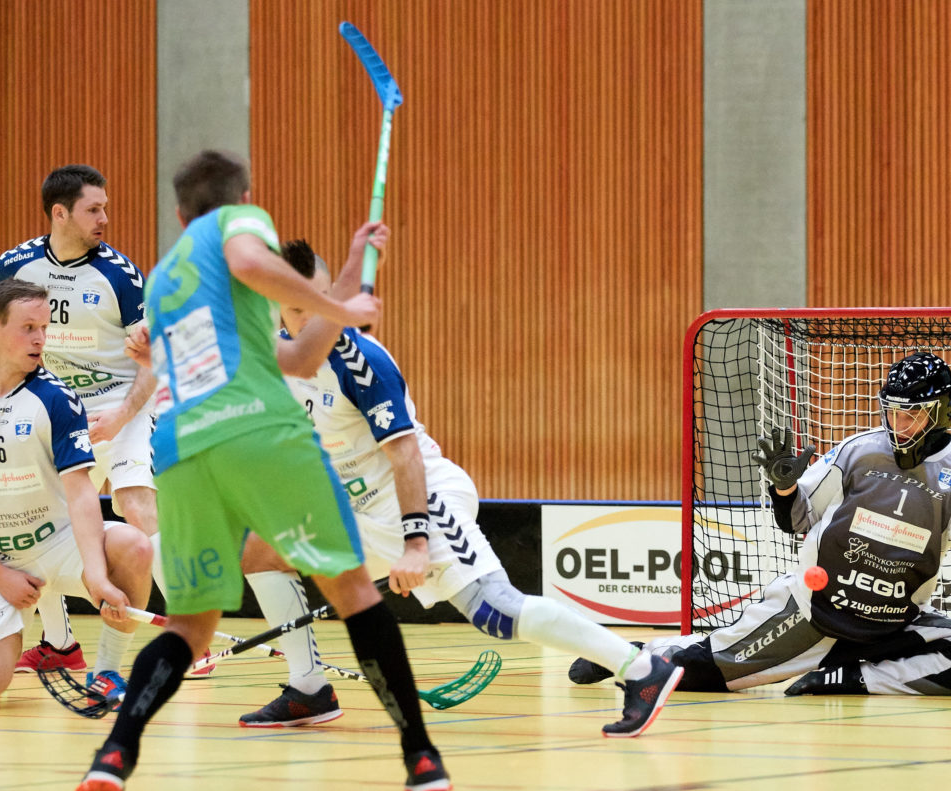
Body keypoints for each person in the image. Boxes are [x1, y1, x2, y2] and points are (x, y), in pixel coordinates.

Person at [75, 149, 449, 791]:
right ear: (242, 198)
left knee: (189, 625)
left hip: (183, 449)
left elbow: (302, 356)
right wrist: (345, 303)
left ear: (177, 210)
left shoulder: (164, 278)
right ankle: (420, 754)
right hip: (260, 431)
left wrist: (351, 277)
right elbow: (252, 264)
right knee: (356, 589)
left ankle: (115, 753)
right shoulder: (238, 225)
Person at [233, 237, 683, 738]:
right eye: (298, 308)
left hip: (421, 495)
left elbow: (403, 454)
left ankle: (641, 669)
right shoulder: (272, 357)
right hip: (357, 509)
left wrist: (415, 542)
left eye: (321, 302)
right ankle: (309, 690)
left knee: (495, 610)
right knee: (262, 551)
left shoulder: (361, 362)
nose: (313, 319)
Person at [570, 353, 951, 697]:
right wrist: (784, 490)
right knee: (692, 674)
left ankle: (851, 678)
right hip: (812, 615)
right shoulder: (860, 451)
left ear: (943, 412)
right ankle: (620, 651)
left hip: (893, 628)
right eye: (893, 410)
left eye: (912, 412)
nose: (899, 423)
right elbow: (796, 521)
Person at [0, 278, 152, 710]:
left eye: (44, 328)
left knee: (134, 547)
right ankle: (20, 626)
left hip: (59, 544)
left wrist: (97, 574)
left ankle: (105, 671)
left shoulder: (56, 399)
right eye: (28, 328)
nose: (40, 339)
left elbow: (82, 492)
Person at [0, 165, 176, 675]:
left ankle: (188, 634)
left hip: (124, 402)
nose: (105, 218)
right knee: (35, 517)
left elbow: (153, 358)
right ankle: (58, 642)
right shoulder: (16, 265)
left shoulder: (119, 272)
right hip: (57, 410)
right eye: (94, 209)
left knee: (136, 501)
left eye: (105, 207)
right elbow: (4, 343)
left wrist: (119, 416)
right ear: (60, 213)